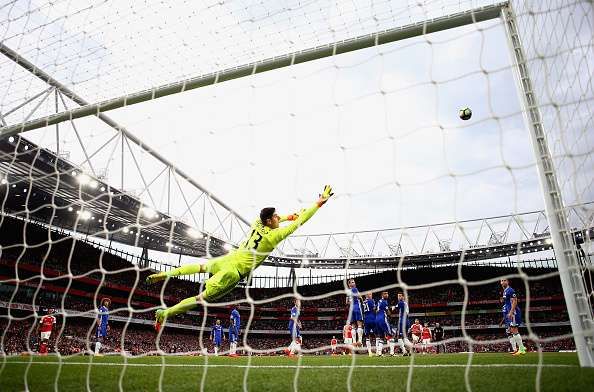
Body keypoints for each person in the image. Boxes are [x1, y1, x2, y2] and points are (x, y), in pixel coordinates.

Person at [146, 185, 334, 331]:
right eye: (276, 217)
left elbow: (282, 218)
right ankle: (165, 314)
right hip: (232, 272)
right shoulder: (273, 237)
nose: (279, 217)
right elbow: (302, 221)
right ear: (269, 221)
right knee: (200, 298)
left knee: (200, 267)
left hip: (229, 258)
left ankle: (165, 274)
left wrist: (288, 216)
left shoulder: (257, 222)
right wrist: (319, 203)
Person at [500, 278, 526, 355]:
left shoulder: (510, 290)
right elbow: (508, 302)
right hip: (511, 312)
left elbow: (515, 301)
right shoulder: (505, 291)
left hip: (514, 313)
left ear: (507, 282)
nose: (503, 282)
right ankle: (521, 348)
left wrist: (511, 312)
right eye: (501, 281)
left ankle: (521, 349)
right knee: (513, 330)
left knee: (514, 330)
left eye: (504, 280)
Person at [346, 279, 364, 347]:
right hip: (357, 306)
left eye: (354, 282)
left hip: (351, 308)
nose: (354, 283)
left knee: (353, 326)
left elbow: (346, 302)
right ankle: (360, 341)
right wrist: (362, 300)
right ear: (349, 284)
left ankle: (354, 342)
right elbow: (360, 297)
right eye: (352, 282)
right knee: (359, 324)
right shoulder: (355, 289)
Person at [374, 291, 391, 356]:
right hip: (383, 319)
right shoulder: (384, 301)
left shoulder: (379, 301)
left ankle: (379, 353)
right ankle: (392, 352)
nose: (387, 295)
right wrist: (390, 313)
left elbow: (375, 309)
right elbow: (388, 312)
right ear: (382, 295)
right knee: (391, 335)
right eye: (385, 294)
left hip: (377, 319)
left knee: (381, 337)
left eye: (387, 293)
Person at [362, 292, 376, 357]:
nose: (371, 295)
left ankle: (370, 352)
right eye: (370, 294)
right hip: (372, 319)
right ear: (367, 295)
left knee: (367, 336)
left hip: (366, 320)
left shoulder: (363, 302)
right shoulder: (372, 301)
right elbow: (374, 309)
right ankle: (378, 352)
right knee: (377, 335)